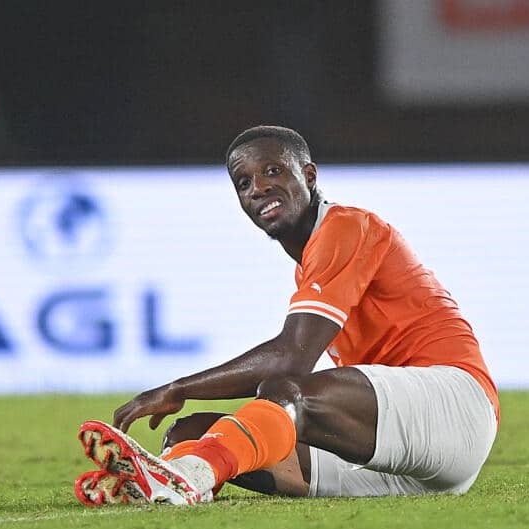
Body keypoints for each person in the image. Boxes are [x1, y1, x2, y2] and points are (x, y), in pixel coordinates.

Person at [74, 125, 499, 506]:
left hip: (455, 410)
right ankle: (168, 481)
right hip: (399, 455)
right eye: (244, 182)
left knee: (284, 389)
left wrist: (178, 388)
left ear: (309, 176)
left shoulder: (347, 227)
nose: (257, 187)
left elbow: (289, 360)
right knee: (190, 434)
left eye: (273, 171)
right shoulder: (311, 261)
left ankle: (190, 477)